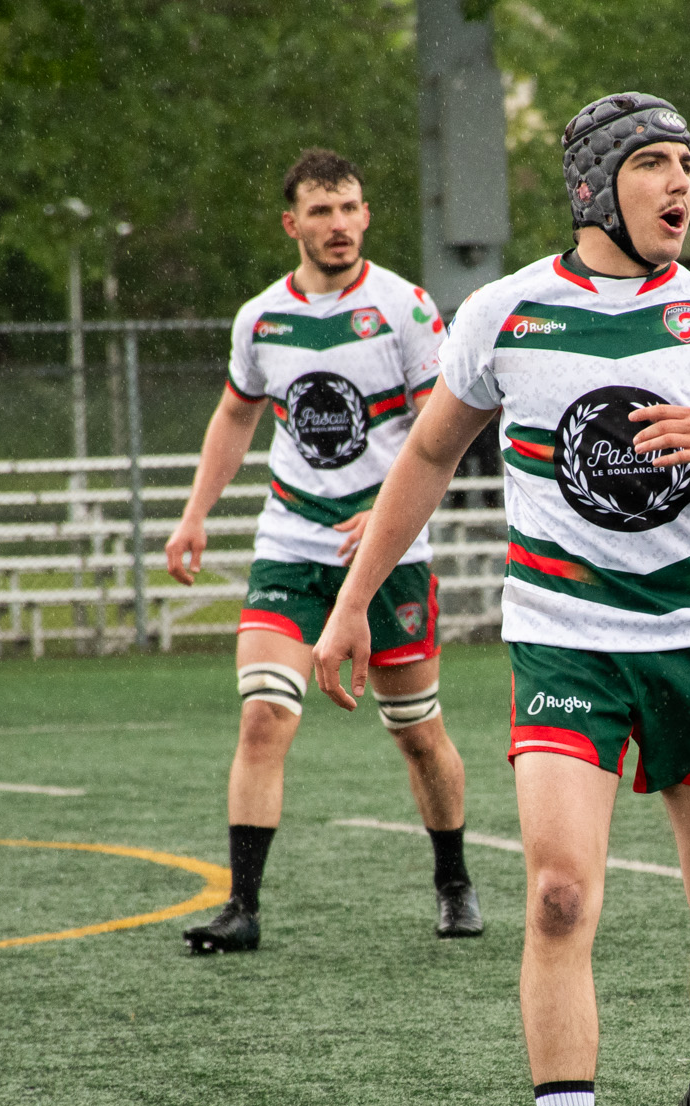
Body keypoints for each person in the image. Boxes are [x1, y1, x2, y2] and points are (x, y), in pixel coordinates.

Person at [312, 93, 690, 1106]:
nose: (678, 184)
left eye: (687, 162)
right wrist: (351, 605)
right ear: (598, 185)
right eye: (652, 161)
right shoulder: (506, 314)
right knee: (556, 897)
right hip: (563, 643)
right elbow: (429, 456)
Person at [164, 148, 479, 952]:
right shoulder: (261, 318)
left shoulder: (406, 309)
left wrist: (384, 510)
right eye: (321, 211)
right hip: (292, 544)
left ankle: (453, 880)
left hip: (390, 555)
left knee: (415, 730)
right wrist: (196, 513)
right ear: (292, 223)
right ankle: (242, 906)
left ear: (366, 215)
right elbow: (236, 417)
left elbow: (440, 434)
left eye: (350, 209)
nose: (338, 225)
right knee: (264, 716)